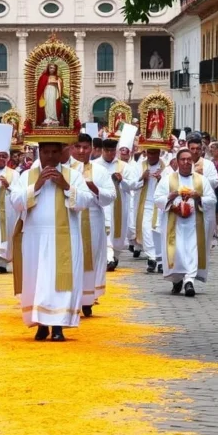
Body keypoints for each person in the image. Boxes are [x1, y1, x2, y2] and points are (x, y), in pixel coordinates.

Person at [10, 142, 93, 341]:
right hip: (35, 238)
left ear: (61, 153)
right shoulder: (27, 175)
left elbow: (86, 201)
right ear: (39, 152)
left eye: (54, 152)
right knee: (37, 280)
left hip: (65, 237)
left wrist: (65, 186)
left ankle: (58, 326)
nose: (50, 156)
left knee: (60, 283)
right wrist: (36, 186)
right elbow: (15, 202)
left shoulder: (72, 175)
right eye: (45, 152)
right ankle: (41, 324)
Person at [156, 149, 217, 297]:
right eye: (183, 159)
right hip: (174, 223)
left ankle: (189, 281)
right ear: (177, 162)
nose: (186, 162)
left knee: (192, 250)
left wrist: (198, 197)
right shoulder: (168, 179)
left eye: (189, 159)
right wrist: (170, 198)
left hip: (194, 223)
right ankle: (177, 280)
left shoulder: (201, 180)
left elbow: (212, 199)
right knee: (177, 251)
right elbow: (157, 198)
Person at [71, 134, 115, 316]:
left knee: (94, 256)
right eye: (78, 147)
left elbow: (111, 195)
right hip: (72, 218)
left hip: (94, 218)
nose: (82, 151)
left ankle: (88, 298)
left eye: (85, 147)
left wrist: (94, 189)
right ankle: (73, 297)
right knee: (73, 257)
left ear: (92, 148)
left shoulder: (100, 171)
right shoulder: (67, 169)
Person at [93, 138, 134, 270]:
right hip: (101, 204)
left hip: (119, 205)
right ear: (102, 150)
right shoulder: (94, 165)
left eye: (112, 151)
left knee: (118, 236)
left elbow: (133, 186)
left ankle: (114, 256)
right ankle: (108, 257)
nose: (110, 154)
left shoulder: (124, 167)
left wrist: (122, 181)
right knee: (105, 230)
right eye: (107, 151)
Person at [128, 147, 168, 273]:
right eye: (149, 153)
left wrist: (161, 179)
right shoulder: (139, 167)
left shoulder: (166, 168)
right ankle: (152, 258)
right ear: (146, 153)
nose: (152, 156)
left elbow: (171, 185)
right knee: (146, 230)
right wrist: (142, 178)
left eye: (155, 153)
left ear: (159, 153)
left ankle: (161, 260)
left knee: (159, 231)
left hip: (161, 205)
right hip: (145, 203)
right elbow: (131, 185)